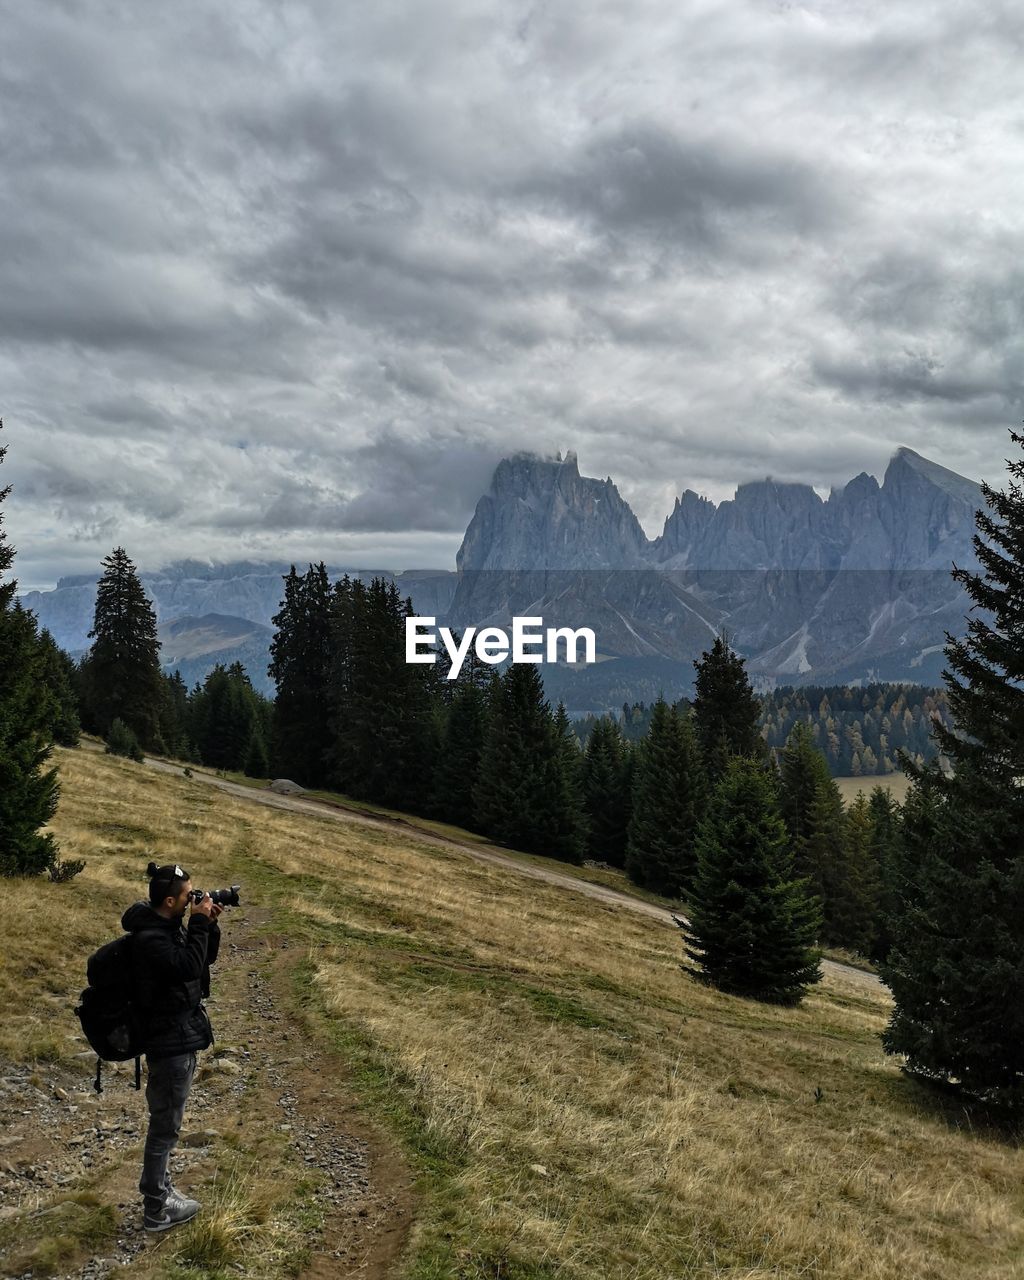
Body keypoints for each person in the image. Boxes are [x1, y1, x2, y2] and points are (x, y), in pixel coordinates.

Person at [121, 861, 223, 1232]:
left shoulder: (164, 927)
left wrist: (207, 925)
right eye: (187, 896)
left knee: (168, 1124)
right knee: (165, 1127)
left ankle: (161, 1190)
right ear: (169, 900)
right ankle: (156, 1208)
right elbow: (185, 968)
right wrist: (197, 924)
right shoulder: (151, 940)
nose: (193, 899)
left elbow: (201, 962)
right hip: (168, 1043)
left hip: (178, 1036)